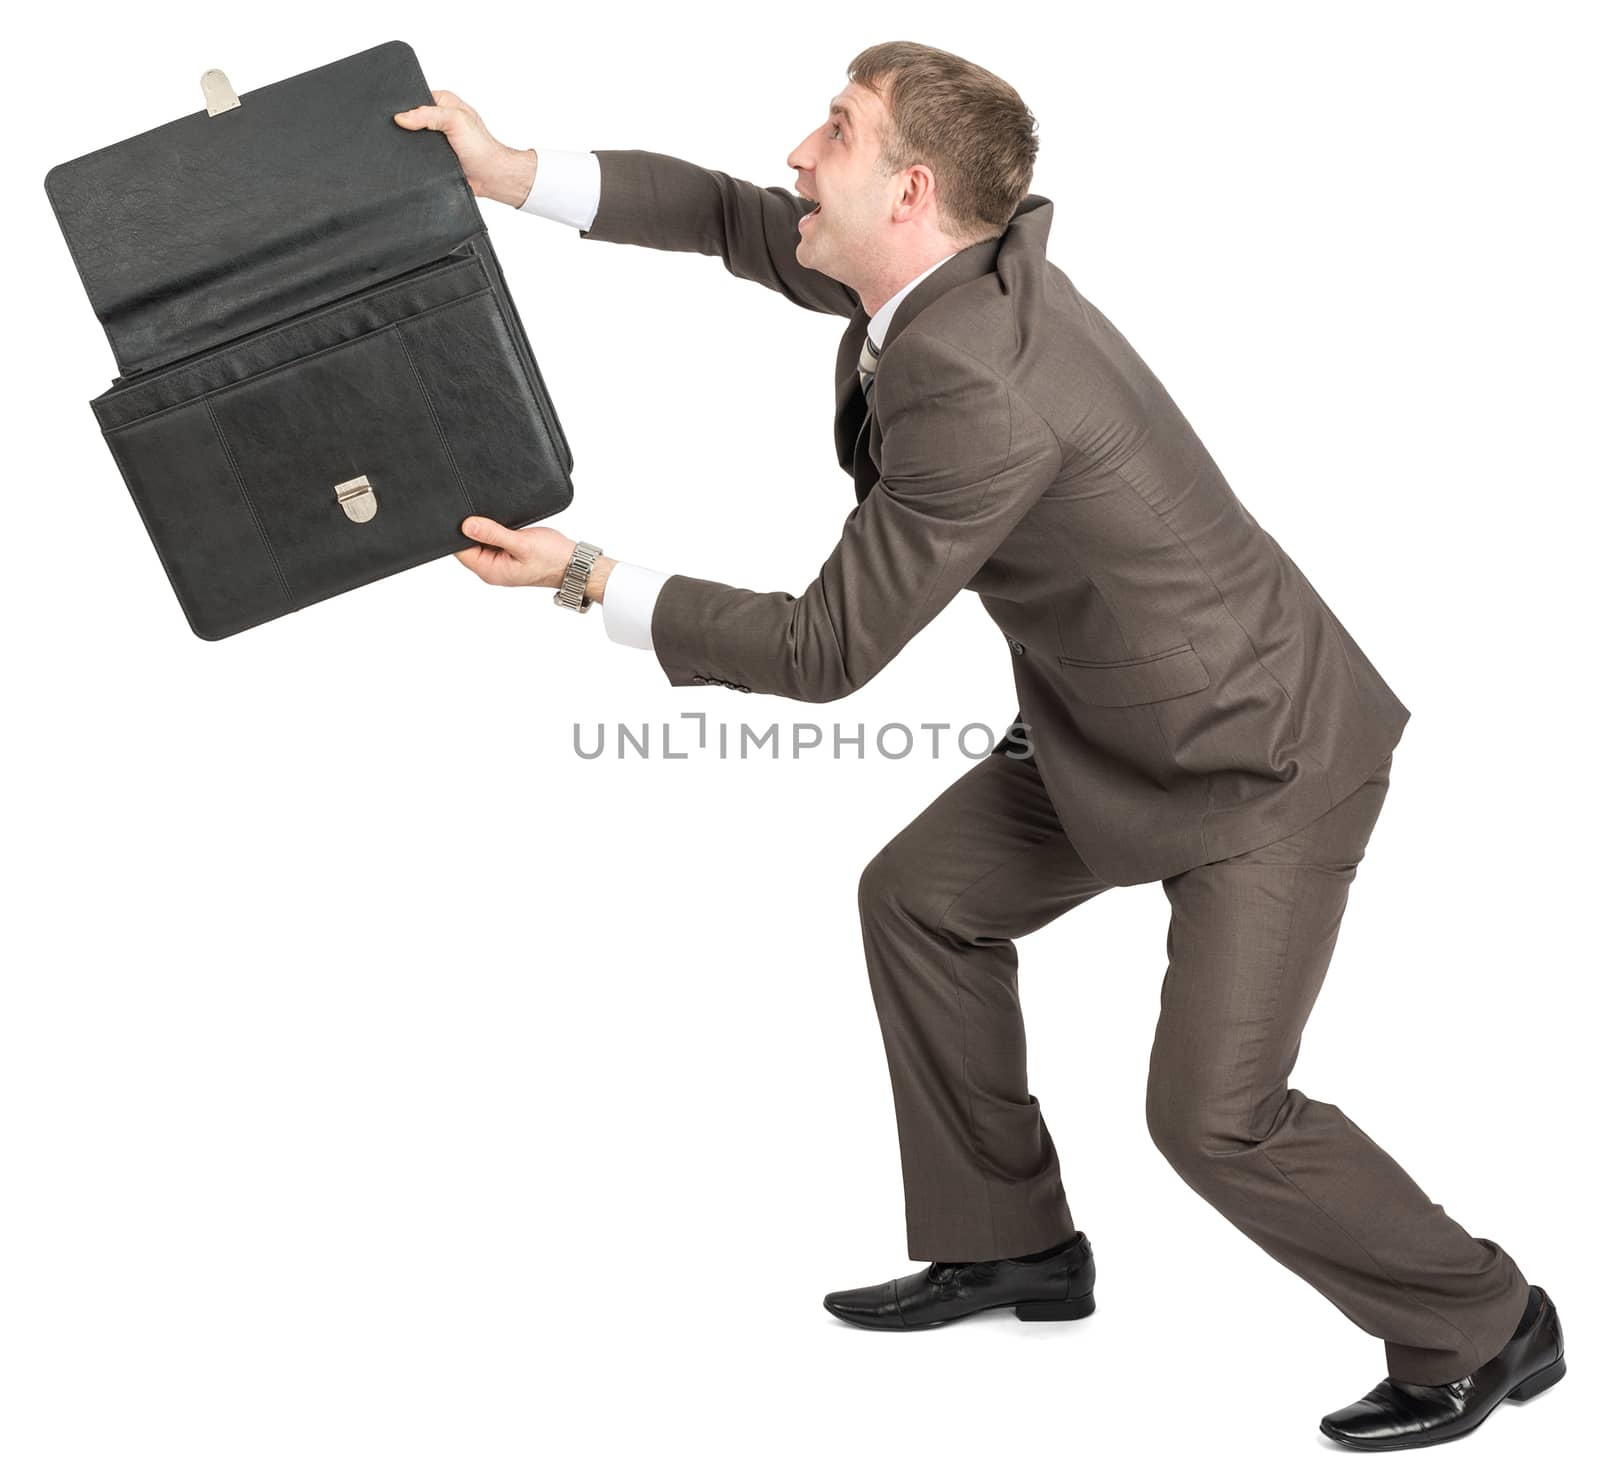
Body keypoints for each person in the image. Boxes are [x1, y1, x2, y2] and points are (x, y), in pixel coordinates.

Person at [394, 39, 1563, 1451]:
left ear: (913, 190)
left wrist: (589, 579)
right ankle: (1011, 1239)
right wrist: (506, 172)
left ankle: (1487, 1319)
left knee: (1216, 1118)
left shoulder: (976, 379)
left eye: (836, 129)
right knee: (923, 897)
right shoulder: (934, 275)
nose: (796, 153)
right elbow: (717, 215)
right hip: (1108, 725)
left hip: (1260, 761)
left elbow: (828, 649)